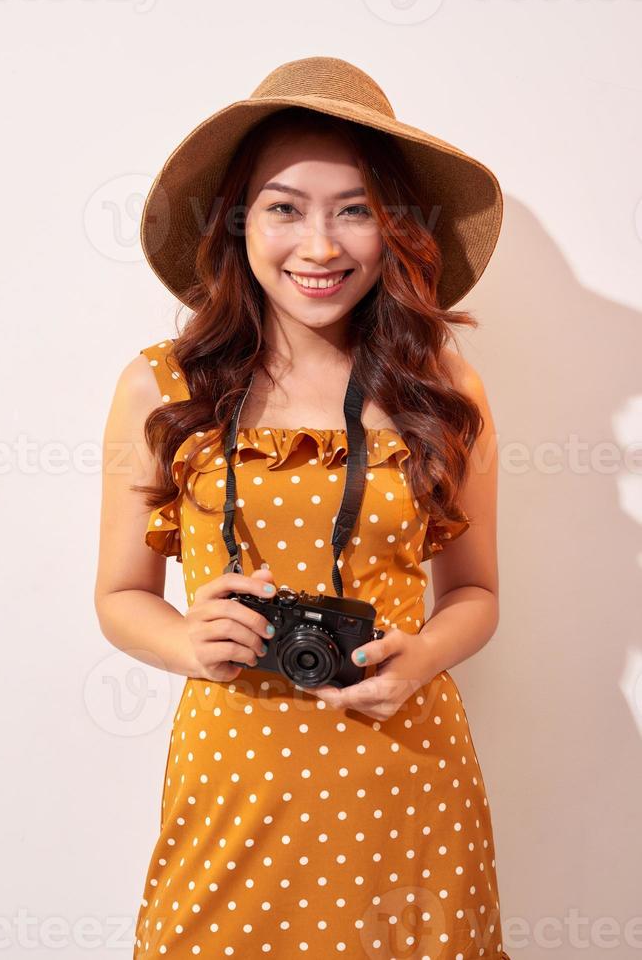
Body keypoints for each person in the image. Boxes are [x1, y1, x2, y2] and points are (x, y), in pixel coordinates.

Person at [94, 56, 511, 959]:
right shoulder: (158, 388)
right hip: (234, 786)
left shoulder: (441, 386)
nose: (319, 247)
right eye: (284, 208)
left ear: (395, 226)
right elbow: (120, 595)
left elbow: (476, 592)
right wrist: (183, 641)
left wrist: (423, 655)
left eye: (353, 209)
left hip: (407, 783)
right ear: (239, 222)